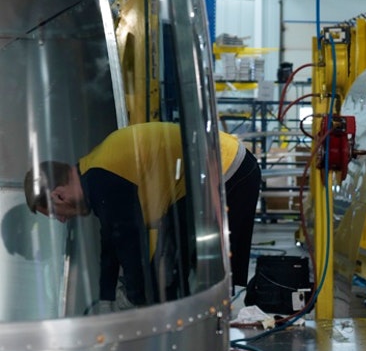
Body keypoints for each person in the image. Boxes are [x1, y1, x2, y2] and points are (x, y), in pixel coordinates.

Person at [24, 121, 262, 307]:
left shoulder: (101, 179)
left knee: (179, 276)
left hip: (225, 168)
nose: (64, 219)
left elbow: (128, 243)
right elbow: (112, 243)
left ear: (59, 195)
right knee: (170, 275)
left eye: (56, 214)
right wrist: (107, 297)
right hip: (222, 167)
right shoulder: (93, 172)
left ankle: (211, 335)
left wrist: (132, 302)